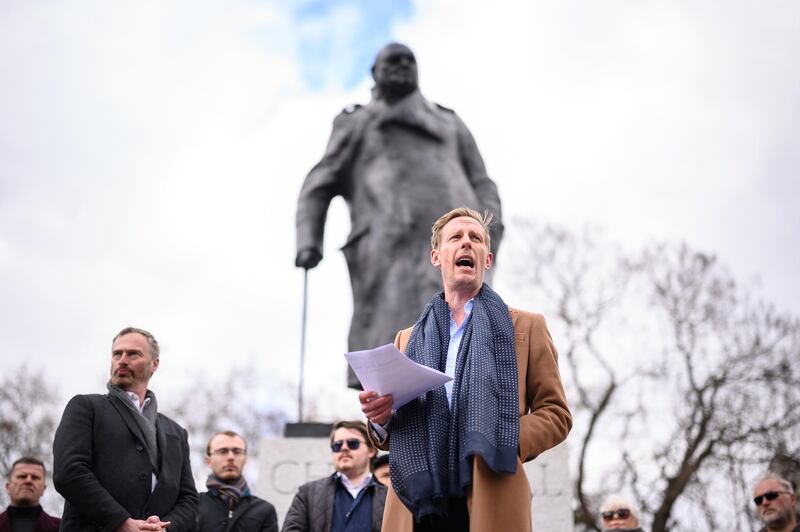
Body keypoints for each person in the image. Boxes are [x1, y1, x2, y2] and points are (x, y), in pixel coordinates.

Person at [295, 43, 503, 387]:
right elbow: (319, 182)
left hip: (458, 246)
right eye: (392, 61)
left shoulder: (448, 122)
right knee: (394, 349)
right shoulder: (358, 122)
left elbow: (482, 181)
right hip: (388, 247)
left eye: (409, 60)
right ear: (374, 73)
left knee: (465, 341)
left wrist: (492, 228)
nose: (402, 66)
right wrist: (308, 239)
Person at [359, 207, 572, 532]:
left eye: (476, 238)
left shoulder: (527, 327)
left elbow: (556, 413)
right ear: (436, 257)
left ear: (487, 259)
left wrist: (505, 436)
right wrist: (381, 418)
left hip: (491, 485)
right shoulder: (407, 338)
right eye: (455, 237)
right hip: (419, 499)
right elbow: (394, 424)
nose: (466, 243)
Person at [53, 327, 198, 532]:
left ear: (154, 364)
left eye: (133, 354)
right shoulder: (86, 407)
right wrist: (121, 522)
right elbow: (69, 472)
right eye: (116, 354)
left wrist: (165, 529)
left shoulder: (176, 432)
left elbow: (188, 499)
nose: (122, 360)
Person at [282, 421, 388, 532]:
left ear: (371, 450)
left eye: (352, 443)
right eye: (337, 445)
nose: (344, 448)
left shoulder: (387, 497)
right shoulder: (307, 493)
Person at [195, 430, 278, 532]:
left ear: (246, 459)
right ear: (208, 461)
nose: (231, 457)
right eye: (223, 451)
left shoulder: (265, 510)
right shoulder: (193, 505)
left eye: (237, 451)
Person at [0, 457, 60, 532]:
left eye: (35, 477)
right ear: (8, 487)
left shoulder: (62, 528)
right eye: (22, 476)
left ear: (43, 489)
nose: (28, 481)